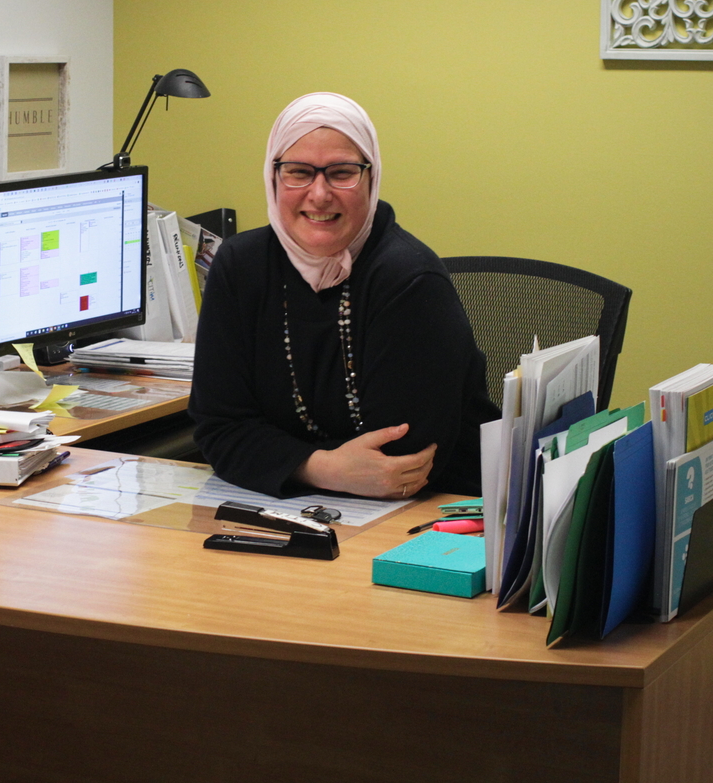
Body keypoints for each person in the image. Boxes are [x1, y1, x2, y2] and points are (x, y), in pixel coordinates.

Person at [189, 92, 498, 500]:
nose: (319, 194)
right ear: (272, 175)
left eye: (341, 172)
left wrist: (270, 454)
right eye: (298, 172)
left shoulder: (409, 280)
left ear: (371, 177)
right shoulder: (240, 267)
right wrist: (322, 468)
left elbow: (401, 465)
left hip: (438, 515)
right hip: (296, 508)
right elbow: (218, 429)